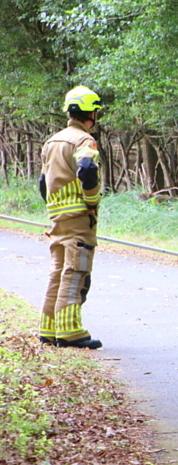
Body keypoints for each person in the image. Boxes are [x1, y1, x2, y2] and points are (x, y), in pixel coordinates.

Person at [38, 86, 104, 349]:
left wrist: (55, 207)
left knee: (57, 272)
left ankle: (49, 329)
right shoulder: (83, 141)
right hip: (79, 217)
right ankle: (70, 332)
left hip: (58, 217)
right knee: (76, 272)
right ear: (91, 113)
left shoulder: (52, 141)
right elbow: (87, 169)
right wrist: (91, 200)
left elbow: (44, 181)